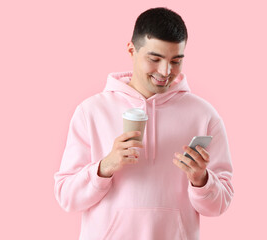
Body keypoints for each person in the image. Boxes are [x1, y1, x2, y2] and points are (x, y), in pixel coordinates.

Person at [54, 7, 234, 240]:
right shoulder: (91, 111)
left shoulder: (204, 115)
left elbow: (220, 204)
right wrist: (105, 167)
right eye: (155, 58)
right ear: (131, 49)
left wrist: (202, 180)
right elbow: (66, 197)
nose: (165, 71)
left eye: (176, 60)